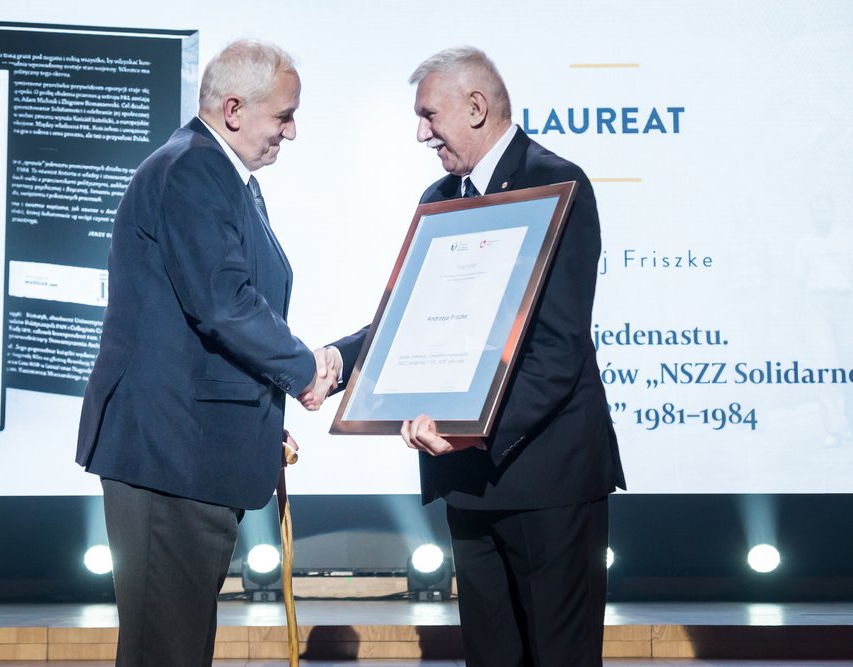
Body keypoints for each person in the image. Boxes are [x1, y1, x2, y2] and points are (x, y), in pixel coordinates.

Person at [325, 47, 626, 666]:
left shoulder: (556, 183)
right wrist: (336, 360)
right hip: (467, 480)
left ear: (477, 106)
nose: (421, 133)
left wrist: (471, 428)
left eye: (429, 115)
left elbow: (558, 349)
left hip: (547, 477)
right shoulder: (441, 196)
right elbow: (406, 322)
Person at [75, 39, 336, 667]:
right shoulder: (193, 169)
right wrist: (306, 371)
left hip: (189, 455)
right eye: (284, 116)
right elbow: (223, 305)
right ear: (233, 109)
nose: (291, 132)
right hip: (169, 456)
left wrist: (261, 411)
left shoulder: (216, 173)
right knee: (166, 652)